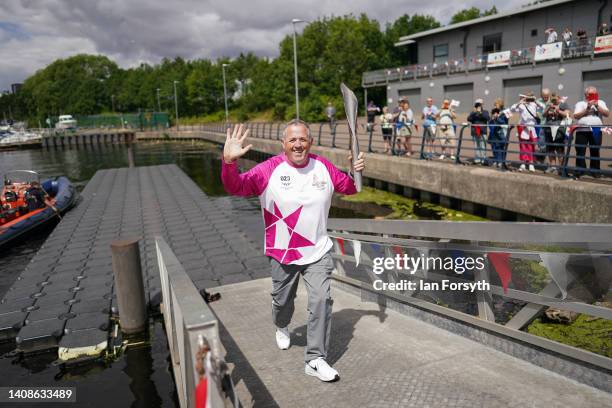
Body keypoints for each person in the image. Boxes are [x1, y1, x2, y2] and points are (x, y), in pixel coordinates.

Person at [221, 121, 365, 382]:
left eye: (303, 139)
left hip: (318, 250)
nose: (298, 144)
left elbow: (350, 188)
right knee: (282, 301)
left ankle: (315, 359)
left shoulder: (324, 168)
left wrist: (356, 172)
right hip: (282, 253)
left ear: (310, 142)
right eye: (292, 140)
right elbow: (235, 187)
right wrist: (229, 163)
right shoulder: (268, 170)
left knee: (321, 299)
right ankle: (281, 324)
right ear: (283, 145)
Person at [573, 86, 609, 178]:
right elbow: (576, 116)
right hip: (582, 130)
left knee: (595, 150)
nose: (592, 96)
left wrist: (597, 105)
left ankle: (595, 170)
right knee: (580, 151)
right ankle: (580, 169)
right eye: (590, 94)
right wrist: (587, 109)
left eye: (594, 94)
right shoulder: (580, 103)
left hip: (596, 129)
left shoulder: (601, 102)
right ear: (586, 95)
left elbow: (607, 114)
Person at [510, 92, 540, 172]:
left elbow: (543, 107)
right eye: (527, 97)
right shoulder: (522, 105)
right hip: (523, 129)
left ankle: (531, 164)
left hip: (531, 129)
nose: (528, 99)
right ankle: (523, 163)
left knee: (531, 147)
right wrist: (520, 102)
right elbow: (512, 109)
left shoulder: (534, 104)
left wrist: (535, 101)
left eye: (530, 97)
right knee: (523, 147)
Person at [541, 94, 570, 173]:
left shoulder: (563, 104)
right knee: (550, 149)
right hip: (548, 130)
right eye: (552, 99)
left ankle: (560, 168)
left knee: (559, 149)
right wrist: (548, 108)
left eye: (555, 99)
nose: (553, 101)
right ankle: (553, 167)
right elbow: (543, 115)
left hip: (559, 131)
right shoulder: (549, 104)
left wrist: (558, 110)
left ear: (559, 98)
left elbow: (567, 114)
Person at [488, 98, 510, 169]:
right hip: (494, 132)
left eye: (496, 104)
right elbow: (490, 122)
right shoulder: (494, 111)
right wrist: (492, 118)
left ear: (500, 104)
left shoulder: (505, 111)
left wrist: (497, 117)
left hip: (502, 132)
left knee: (501, 147)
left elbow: (504, 122)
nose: (494, 106)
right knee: (494, 147)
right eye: (494, 105)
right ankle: (496, 160)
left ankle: (501, 161)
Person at [467, 99, 490, 164]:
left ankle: (483, 159)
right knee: (476, 146)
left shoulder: (485, 111)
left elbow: (487, 118)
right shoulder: (473, 112)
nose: (478, 105)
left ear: (482, 104)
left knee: (483, 146)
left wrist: (480, 112)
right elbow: (468, 119)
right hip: (474, 131)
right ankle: (477, 159)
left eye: (480, 104)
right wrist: (474, 113)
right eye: (477, 104)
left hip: (482, 131)